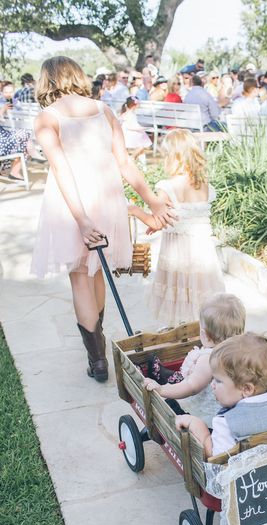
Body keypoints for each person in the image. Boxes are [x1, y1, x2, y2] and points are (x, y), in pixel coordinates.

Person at [31, 56, 174, 383]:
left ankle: (97, 360)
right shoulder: (104, 111)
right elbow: (124, 163)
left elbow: (61, 169)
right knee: (98, 272)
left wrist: (80, 219)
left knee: (80, 275)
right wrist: (151, 201)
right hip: (108, 200)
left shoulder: (46, 118)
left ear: (47, 80)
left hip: (73, 204)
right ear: (76, 75)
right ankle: (99, 346)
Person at [175, 332, 267, 457]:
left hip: (251, 484)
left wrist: (197, 425)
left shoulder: (227, 423)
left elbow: (216, 455)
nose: (212, 384)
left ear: (247, 389)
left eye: (218, 380)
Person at [129, 129, 225, 327]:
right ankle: (202, 331)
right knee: (199, 293)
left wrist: (135, 210)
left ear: (174, 157)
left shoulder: (168, 186)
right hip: (202, 251)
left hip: (179, 253)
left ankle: (181, 333)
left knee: (181, 292)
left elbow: (157, 222)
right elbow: (185, 216)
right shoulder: (204, 185)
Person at [143, 293, 246, 426]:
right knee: (181, 380)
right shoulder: (243, 351)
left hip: (202, 413)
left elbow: (191, 387)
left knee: (168, 405)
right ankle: (166, 375)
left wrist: (162, 390)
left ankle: (163, 381)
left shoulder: (209, 359)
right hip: (229, 409)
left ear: (204, 335)